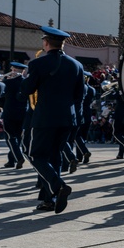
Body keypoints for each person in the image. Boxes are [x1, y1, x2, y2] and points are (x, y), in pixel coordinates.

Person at [20, 27, 85, 213]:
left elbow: (27, 90)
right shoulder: (77, 65)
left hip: (45, 118)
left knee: (36, 155)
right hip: (67, 118)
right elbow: (79, 96)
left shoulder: (38, 64)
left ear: (46, 43)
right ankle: (50, 199)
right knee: (55, 157)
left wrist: (25, 78)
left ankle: (58, 186)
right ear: (62, 44)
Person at [0, 62, 28, 169]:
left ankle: (18, 157)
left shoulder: (8, 82)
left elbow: (2, 95)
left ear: (14, 70)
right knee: (18, 138)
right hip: (23, 113)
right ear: (23, 71)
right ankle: (11, 161)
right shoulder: (26, 82)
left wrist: (5, 80)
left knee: (10, 137)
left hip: (9, 113)